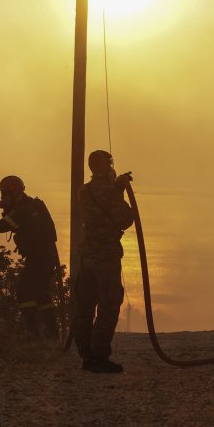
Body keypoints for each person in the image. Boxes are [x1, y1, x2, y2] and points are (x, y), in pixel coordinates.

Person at [0, 176, 61, 337]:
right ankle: (52, 334)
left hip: (39, 258)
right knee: (41, 294)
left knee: (24, 293)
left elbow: (2, 226)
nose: (1, 198)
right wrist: (6, 208)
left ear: (12, 193)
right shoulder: (29, 205)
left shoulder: (23, 210)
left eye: (4, 194)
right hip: (45, 256)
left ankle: (34, 334)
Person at [72, 150, 135, 373]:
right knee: (109, 304)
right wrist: (119, 189)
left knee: (85, 305)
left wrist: (115, 187)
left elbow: (100, 203)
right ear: (107, 166)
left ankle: (86, 355)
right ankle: (99, 356)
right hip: (105, 256)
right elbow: (125, 218)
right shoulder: (110, 191)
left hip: (87, 256)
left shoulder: (84, 190)